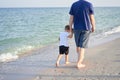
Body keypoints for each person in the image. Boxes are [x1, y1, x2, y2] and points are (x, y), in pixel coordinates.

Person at [69, 0, 95, 69]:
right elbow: (91, 18)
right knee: (82, 46)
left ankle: (79, 59)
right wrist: (93, 27)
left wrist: (70, 30)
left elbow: (71, 18)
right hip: (86, 28)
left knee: (78, 45)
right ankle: (79, 63)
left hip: (76, 28)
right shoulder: (89, 4)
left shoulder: (74, 4)